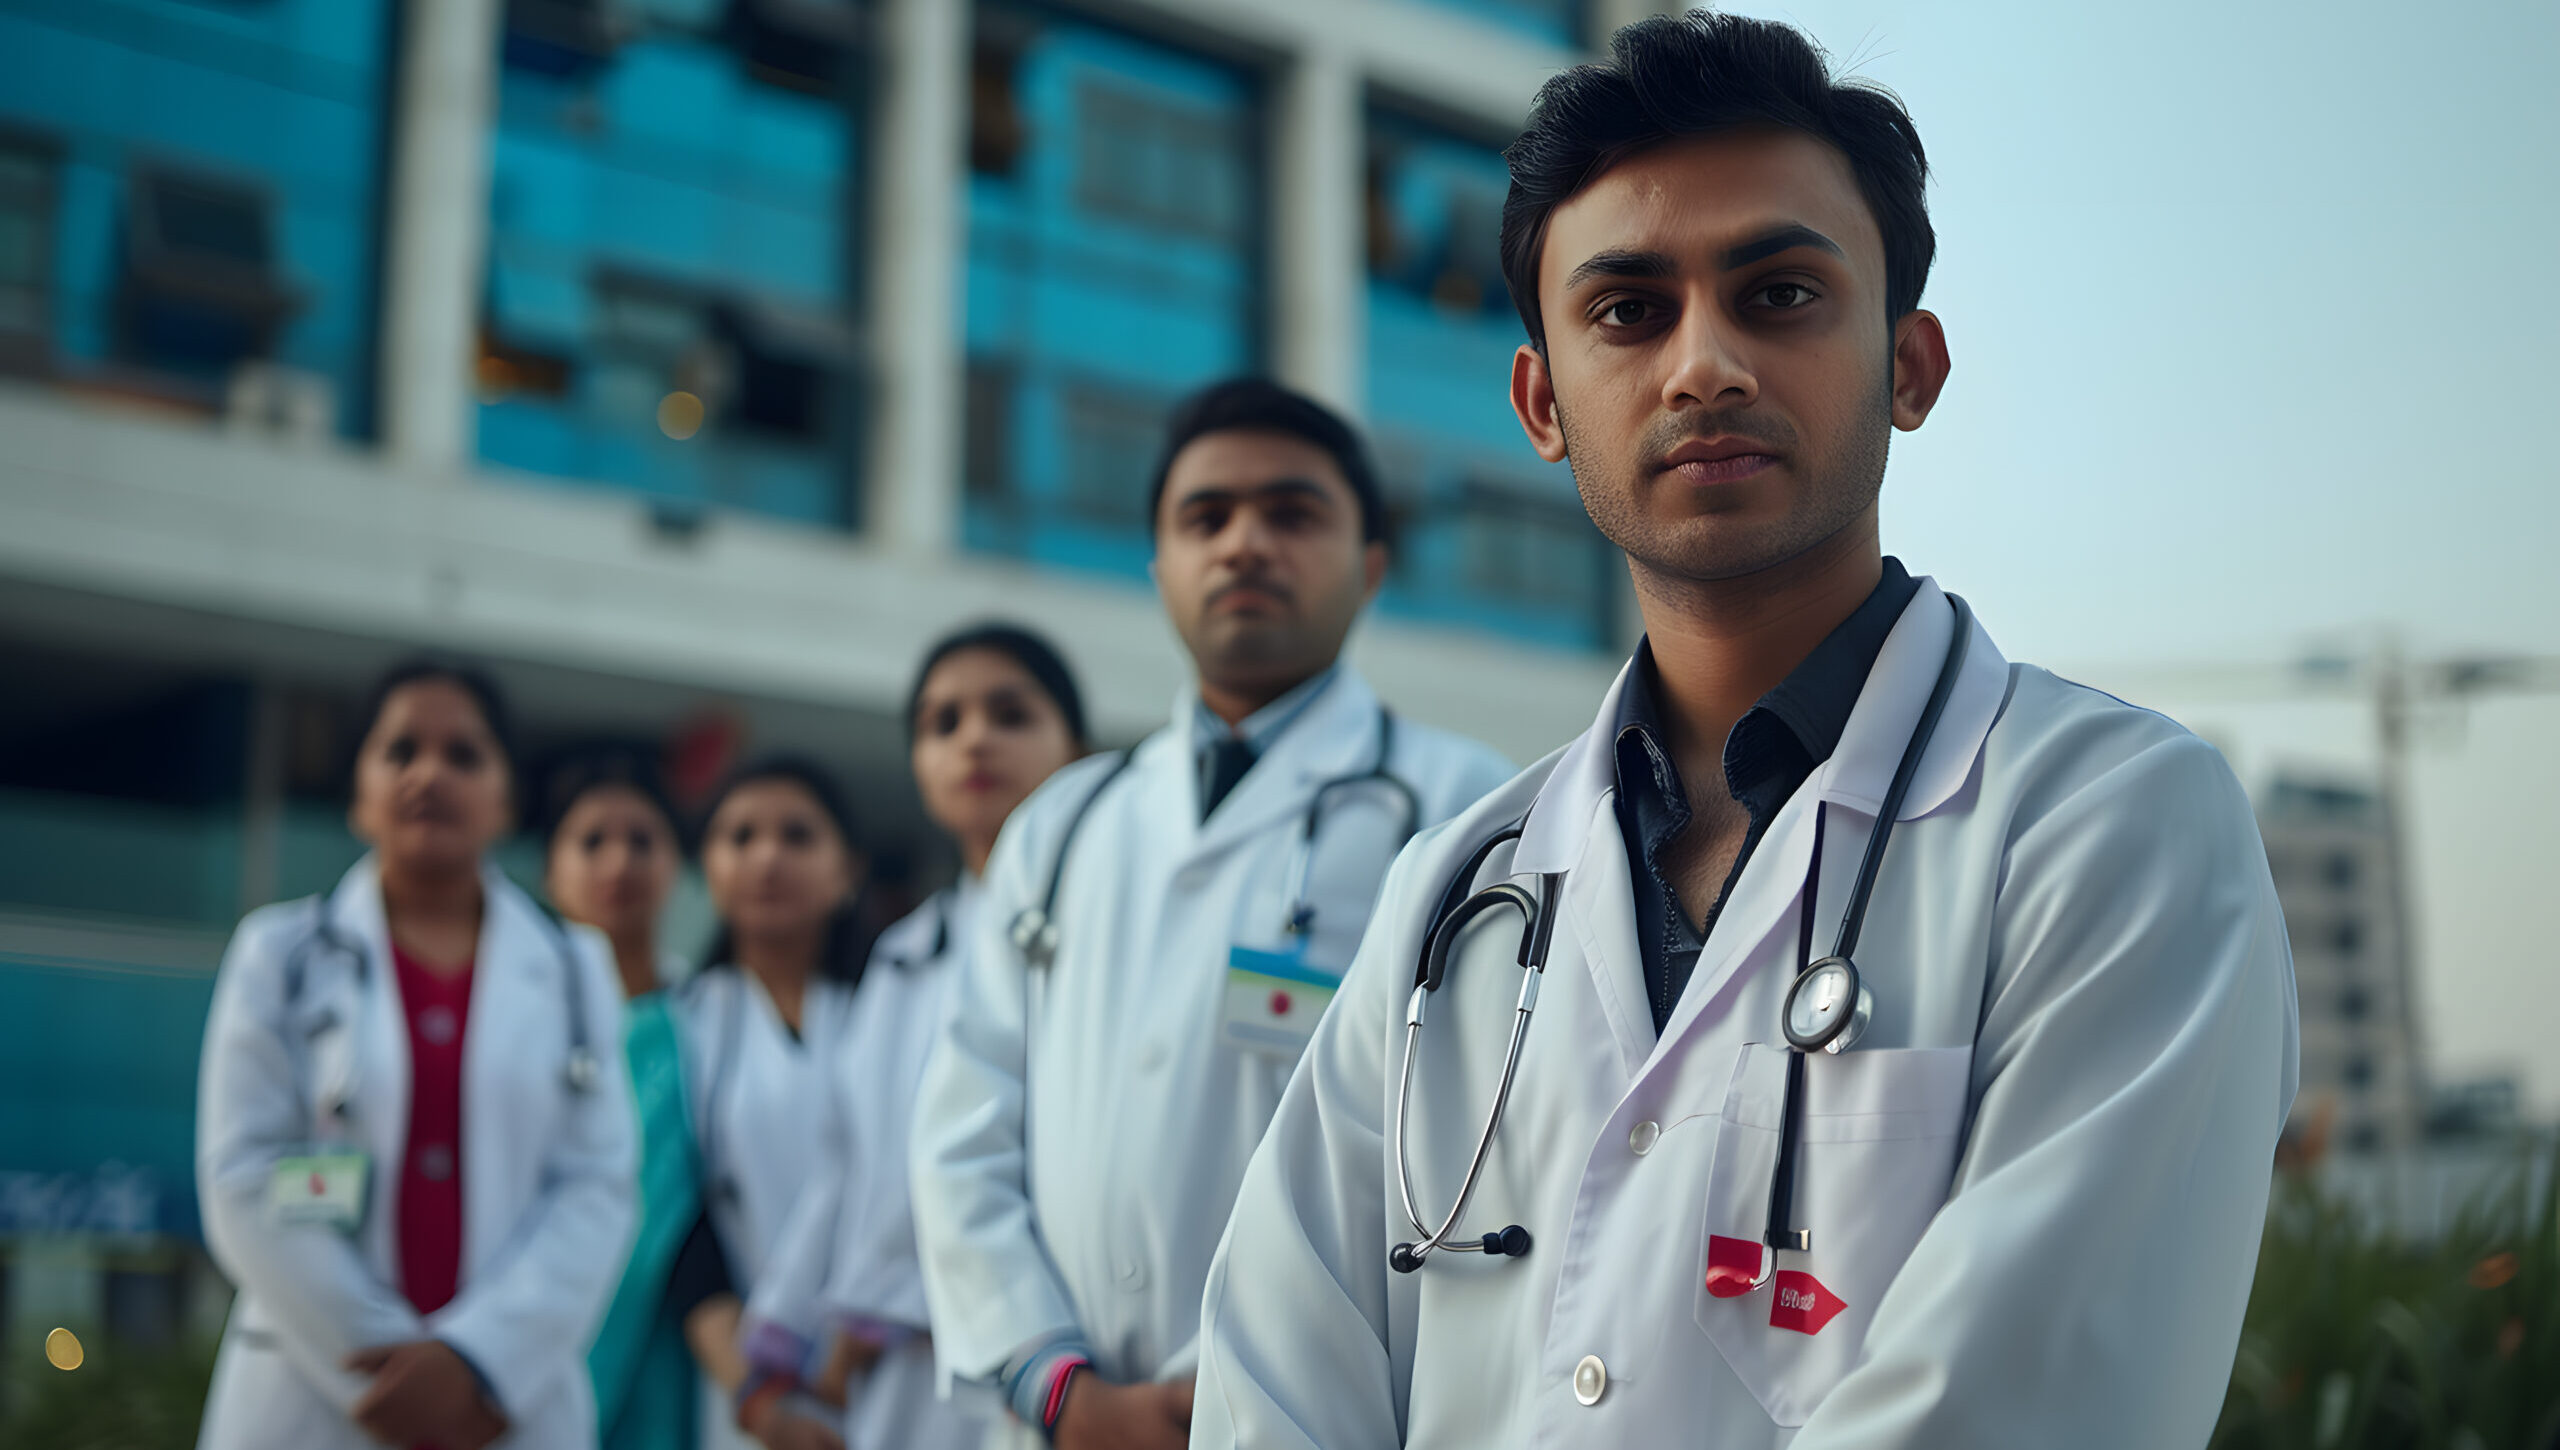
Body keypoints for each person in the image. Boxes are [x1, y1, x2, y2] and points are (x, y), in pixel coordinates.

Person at [1188, 13, 2303, 1449]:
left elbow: (2019, 1404)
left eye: (1778, 293)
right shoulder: (1452, 892)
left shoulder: (2120, 827)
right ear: (1542, 402)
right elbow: (1278, 1375)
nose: (1702, 363)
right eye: (1626, 311)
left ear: (1910, 366)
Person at [910, 378, 1515, 1450]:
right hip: (1060, 1418)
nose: (1243, 544)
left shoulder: (1465, 812)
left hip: (1314, 1409)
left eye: (1292, 513)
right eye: (1206, 517)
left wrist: (1219, 1380)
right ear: (1159, 566)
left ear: (1371, 564)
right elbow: (964, 1122)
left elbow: (1477, 1145)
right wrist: (1055, 1384)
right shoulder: (1061, 825)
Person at [194, 660, 635, 1450]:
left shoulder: (576, 968)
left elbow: (597, 1188)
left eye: (464, 755)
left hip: (504, 1405)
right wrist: (396, 1368)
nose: (430, 773)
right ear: (359, 792)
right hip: (318, 1393)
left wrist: (476, 1363)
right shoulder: (278, 955)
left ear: (505, 798)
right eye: (400, 751)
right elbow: (244, 1172)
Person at [736, 624, 1090, 1450]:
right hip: (888, 1368)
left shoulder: (1111, 940)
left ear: (1074, 748)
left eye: (1010, 713)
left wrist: (888, 1298)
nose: (975, 739)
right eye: (943, 723)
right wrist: (793, 1333)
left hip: (1060, 1350)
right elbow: (850, 1165)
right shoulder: (905, 956)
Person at [671, 755, 872, 1450]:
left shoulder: (893, 1015)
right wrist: (755, 1393)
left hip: (881, 1365)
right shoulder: (678, 1027)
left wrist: (850, 1353)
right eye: (740, 836)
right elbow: (676, 1229)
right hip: (744, 1389)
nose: (767, 857)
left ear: (847, 869)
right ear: (707, 868)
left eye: (797, 835)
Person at [544, 749, 701, 1450]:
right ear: (552, 869)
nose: (618, 863)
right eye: (591, 842)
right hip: (543, 1335)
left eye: (642, 841)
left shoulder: (707, 1020)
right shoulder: (524, 1022)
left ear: (676, 867)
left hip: (675, 1353)